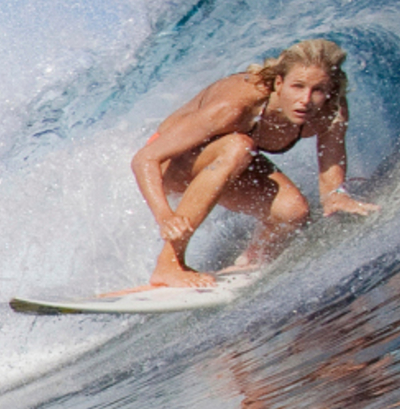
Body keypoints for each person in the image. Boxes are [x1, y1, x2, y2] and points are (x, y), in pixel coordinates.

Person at [131, 39, 378, 288]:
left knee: (293, 212)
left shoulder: (329, 108)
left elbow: (330, 162)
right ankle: (168, 265)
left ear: (330, 89)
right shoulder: (234, 107)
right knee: (240, 146)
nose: (305, 99)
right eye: (297, 86)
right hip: (170, 164)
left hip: (225, 163)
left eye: (318, 89)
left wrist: (336, 196)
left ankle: (251, 258)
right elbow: (145, 159)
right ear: (279, 83)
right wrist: (165, 217)